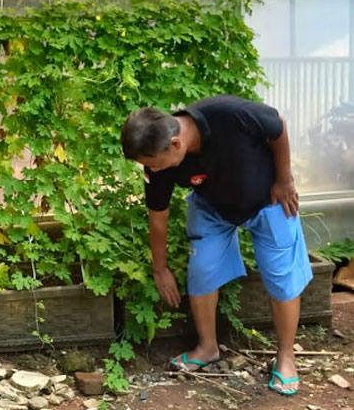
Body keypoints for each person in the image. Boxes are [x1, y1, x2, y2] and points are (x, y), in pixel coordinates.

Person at [120, 95, 312, 396]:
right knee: (203, 270)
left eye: (153, 165)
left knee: (282, 276)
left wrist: (284, 179)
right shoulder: (158, 162)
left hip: (268, 200)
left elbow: (278, 126)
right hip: (212, 208)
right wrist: (160, 269)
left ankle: (286, 356)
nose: (152, 171)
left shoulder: (228, 114)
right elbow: (158, 216)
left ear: (175, 144)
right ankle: (207, 348)